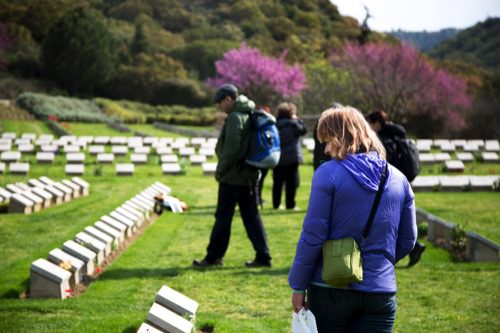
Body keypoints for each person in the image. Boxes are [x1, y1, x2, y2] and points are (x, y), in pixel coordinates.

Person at [289, 106, 417, 332]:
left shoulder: (328, 173)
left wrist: (298, 285)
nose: (327, 149)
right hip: (380, 290)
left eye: (328, 141)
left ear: (342, 137)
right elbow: (408, 239)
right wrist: (378, 263)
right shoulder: (399, 179)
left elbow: (313, 235)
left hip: (331, 287)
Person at [193, 84, 272, 268]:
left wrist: (221, 169)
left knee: (223, 217)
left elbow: (232, 149)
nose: (220, 107)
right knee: (251, 217)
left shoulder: (236, 117)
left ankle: (213, 257)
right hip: (247, 176)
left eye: (220, 102)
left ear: (229, 99)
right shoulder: (246, 112)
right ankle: (263, 256)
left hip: (233, 177)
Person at [366, 110, 426, 267]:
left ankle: (414, 248)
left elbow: (385, 162)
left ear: (377, 123)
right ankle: (414, 248)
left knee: (389, 219)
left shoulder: (383, 138)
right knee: (395, 218)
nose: (369, 127)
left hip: (388, 184)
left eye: (370, 123)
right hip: (399, 183)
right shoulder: (396, 134)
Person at [272, 102, 307, 210]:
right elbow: (304, 130)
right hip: (292, 157)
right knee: (291, 183)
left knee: (277, 182)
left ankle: (276, 204)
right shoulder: (294, 125)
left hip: (277, 157)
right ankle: (290, 205)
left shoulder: (274, 125)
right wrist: (298, 120)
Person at [256, 106, 273, 209]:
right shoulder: (270, 126)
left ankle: (258, 198)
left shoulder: (257, 125)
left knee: (258, 181)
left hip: (258, 157)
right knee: (260, 181)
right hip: (265, 157)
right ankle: (258, 198)